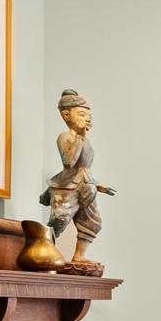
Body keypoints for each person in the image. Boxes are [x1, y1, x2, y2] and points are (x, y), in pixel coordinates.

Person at [42, 89, 114, 267]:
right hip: (67, 187)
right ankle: (43, 250)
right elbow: (69, 162)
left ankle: (79, 256)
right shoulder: (65, 137)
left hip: (86, 186)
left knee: (92, 222)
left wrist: (99, 185)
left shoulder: (86, 141)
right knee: (59, 219)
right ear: (66, 115)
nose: (88, 118)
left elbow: (84, 169)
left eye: (89, 115)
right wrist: (80, 138)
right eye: (82, 114)